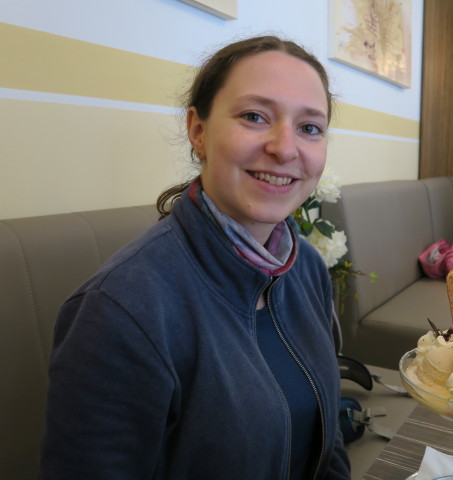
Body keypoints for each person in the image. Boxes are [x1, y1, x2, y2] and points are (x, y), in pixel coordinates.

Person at [40, 36, 350, 479]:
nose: (285, 148)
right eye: (254, 116)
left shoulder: (307, 268)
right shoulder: (120, 309)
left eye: (309, 128)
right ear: (198, 130)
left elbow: (330, 431)